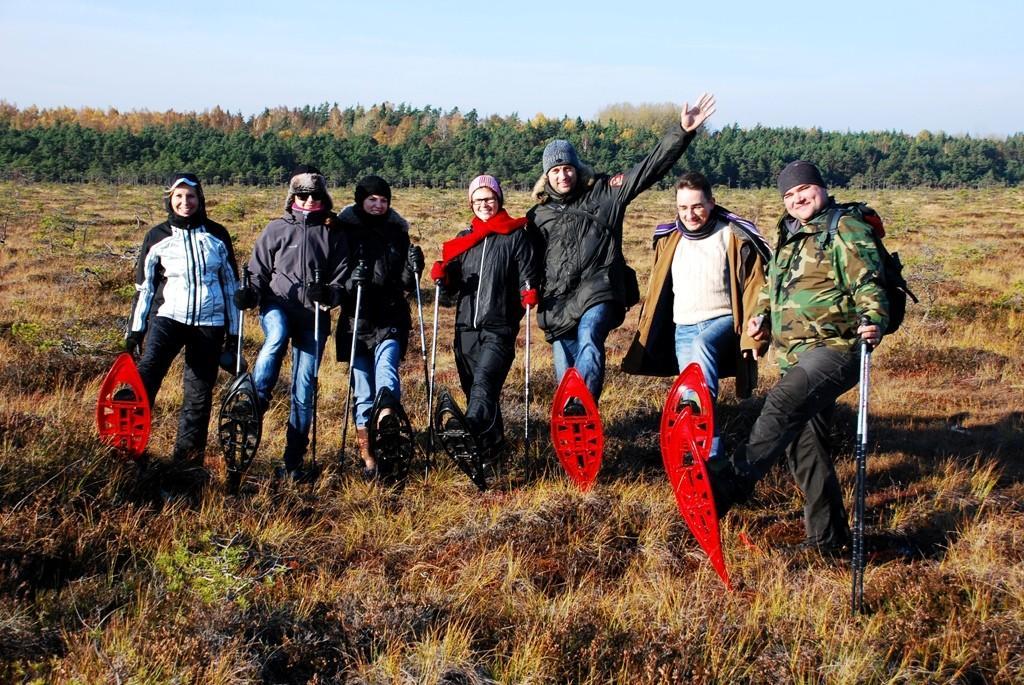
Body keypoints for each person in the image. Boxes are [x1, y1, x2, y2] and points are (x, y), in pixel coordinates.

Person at [710, 160, 888, 553]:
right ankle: (827, 539)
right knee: (805, 445)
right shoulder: (789, 236)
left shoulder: (843, 226)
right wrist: (761, 317)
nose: (796, 198)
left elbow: (868, 279)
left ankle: (732, 482)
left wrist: (873, 318)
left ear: (821, 188)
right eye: (788, 194)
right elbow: (771, 289)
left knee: (783, 401)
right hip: (795, 355)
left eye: (803, 189)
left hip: (837, 346)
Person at [526, 93, 716, 408]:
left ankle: (581, 404)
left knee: (590, 335)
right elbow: (526, 260)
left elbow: (649, 169)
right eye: (556, 170)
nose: (563, 175)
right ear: (547, 175)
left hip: (599, 291)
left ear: (577, 167)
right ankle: (577, 429)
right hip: (558, 302)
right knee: (566, 375)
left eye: (568, 167)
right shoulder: (538, 214)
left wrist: (681, 133)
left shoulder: (606, 193)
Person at [621, 171, 770, 459]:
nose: (690, 214)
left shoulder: (733, 235)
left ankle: (706, 450)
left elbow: (754, 285)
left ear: (712, 203)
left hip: (723, 320)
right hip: (683, 328)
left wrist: (756, 331)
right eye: (683, 207)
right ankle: (704, 456)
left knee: (700, 376)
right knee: (690, 394)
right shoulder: (669, 238)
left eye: (697, 206)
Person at [234, 165, 349, 481]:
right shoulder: (276, 229)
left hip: (314, 315)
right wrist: (249, 294)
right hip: (278, 305)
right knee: (275, 338)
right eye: (302, 195)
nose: (309, 200)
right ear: (293, 196)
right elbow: (257, 272)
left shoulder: (333, 232)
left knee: (304, 386)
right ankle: (256, 401)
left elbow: (342, 278)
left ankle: (294, 460)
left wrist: (328, 293)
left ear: (323, 196)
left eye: (314, 195)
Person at [125, 173, 240, 463]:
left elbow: (231, 287)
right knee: (146, 377)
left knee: (198, 398)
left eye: (190, 196)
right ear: (170, 199)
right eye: (179, 196)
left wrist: (234, 334)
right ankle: (129, 449)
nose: (185, 202)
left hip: (209, 324)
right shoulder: (157, 236)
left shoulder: (217, 235)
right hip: (167, 319)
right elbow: (145, 287)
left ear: (200, 199)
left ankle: (187, 465)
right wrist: (136, 330)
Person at [430, 174, 539, 454]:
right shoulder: (464, 240)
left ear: (499, 199)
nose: (484, 204)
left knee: (484, 382)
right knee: (477, 391)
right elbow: (453, 285)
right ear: (471, 204)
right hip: (465, 328)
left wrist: (528, 291)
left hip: (499, 327)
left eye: (489, 198)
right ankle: (491, 450)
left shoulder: (515, 235)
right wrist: (443, 274)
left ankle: (468, 429)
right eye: (478, 200)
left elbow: (527, 273)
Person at [335, 175, 423, 478]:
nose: (378, 204)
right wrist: (350, 282)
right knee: (362, 389)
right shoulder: (342, 230)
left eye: (383, 200)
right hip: (356, 319)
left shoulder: (397, 232)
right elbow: (336, 275)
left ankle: (387, 419)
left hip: (390, 315)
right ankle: (369, 457)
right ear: (361, 200)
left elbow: (405, 283)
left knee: (387, 368)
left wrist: (414, 269)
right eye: (372, 199)